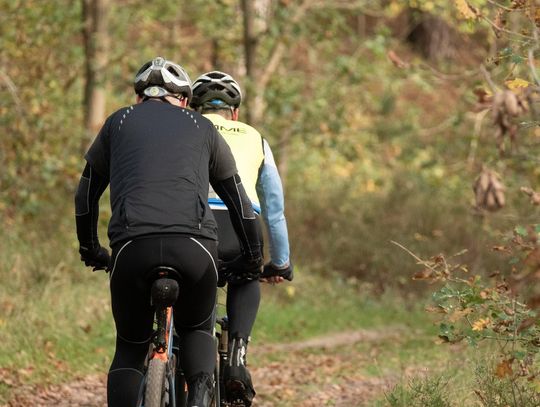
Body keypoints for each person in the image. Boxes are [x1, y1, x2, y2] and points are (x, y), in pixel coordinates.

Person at [74, 57, 263, 407]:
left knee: (130, 348)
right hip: (195, 248)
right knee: (196, 329)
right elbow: (240, 202)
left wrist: (91, 249)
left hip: (132, 248)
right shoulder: (203, 128)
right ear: (185, 101)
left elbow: (86, 195)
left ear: (138, 98)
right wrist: (253, 257)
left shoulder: (117, 122)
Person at [190, 71, 293, 406]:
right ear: (234, 113)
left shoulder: (185, 129)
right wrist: (280, 262)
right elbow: (275, 209)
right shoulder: (255, 137)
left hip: (193, 230)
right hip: (240, 228)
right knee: (247, 274)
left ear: (194, 107)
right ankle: (237, 354)